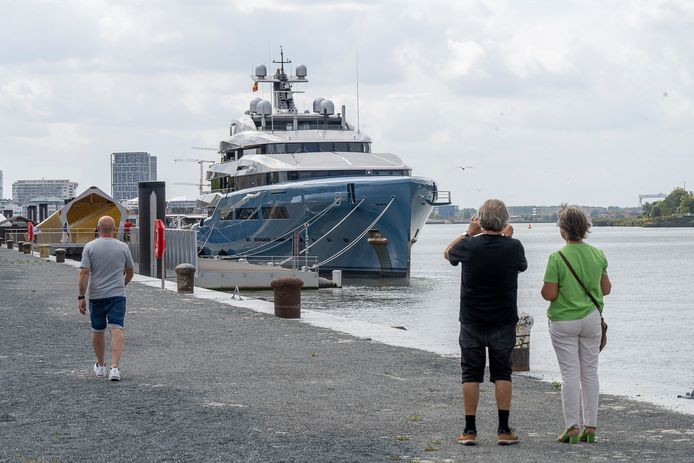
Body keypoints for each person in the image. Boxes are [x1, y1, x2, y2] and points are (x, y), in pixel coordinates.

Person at [444, 199, 527, 446]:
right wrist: (508, 237)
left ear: (479, 220)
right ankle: (503, 429)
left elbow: (448, 253)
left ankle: (469, 430)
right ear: (505, 221)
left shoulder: (468, 246)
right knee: (503, 373)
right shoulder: (513, 247)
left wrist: (466, 233)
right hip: (503, 319)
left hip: (471, 319)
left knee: (470, 374)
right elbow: (521, 266)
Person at [541, 205, 611, 444]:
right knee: (590, 372)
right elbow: (606, 289)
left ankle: (572, 427)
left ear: (562, 230)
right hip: (591, 319)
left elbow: (549, 294)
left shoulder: (556, 258)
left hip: (563, 321)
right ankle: (590, 427)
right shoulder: (598, 254)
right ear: (585, 228)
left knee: (570, 373)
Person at [78, 216, 135, 381]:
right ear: (114, 228)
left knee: (98, 329)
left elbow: (84, 273)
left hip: (97, 295)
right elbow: (130, 272)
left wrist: (81, 296)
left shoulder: (90, 247)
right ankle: (115, 368)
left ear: (98, 228)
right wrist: (121, 285)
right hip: (117, 295)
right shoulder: (123, 247)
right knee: (117, 328)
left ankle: (101, 366)